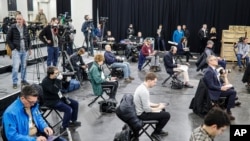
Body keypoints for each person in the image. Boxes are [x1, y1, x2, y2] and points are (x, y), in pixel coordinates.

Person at [41, 66, 81, 134]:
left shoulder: (55, 78)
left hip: (59, 98)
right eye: (56, 73)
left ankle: (73, 121)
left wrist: (67, 81)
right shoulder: (45, 82)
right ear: (51, 74)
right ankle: (63, 128)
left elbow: (64, 87)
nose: (57, 74)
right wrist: (59, 80)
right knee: (68, 109)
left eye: (58, 73)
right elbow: (55, 90)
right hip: (51, 101)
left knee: (75, 103)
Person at [133, 72, 171, 141]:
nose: (155, 84)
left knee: (163, 110)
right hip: (142, 115)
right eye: (154, 82)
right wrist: (159, 107)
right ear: (149, 81)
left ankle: (158, 130)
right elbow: (147, 109)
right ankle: (156, 133)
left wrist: (157, 104)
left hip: (141, 111)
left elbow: (147, 102)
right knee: (167, 115)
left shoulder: (142, 87)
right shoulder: (144, 91)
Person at [203, 55, 237, 120]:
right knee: (233, 92)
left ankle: (227, 105)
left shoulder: (214, 70)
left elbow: (217, 81)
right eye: (215, 59)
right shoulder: (209, 71)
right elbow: (210, 85)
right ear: (210, 61)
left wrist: (222, 84)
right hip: (213, 92)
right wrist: (220, 88)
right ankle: (228, 112)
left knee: (231, 88)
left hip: (217, 88)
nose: (217, 60)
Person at [6, 14, 31, 89]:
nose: (18, 21)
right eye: (17, 19)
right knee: (16, 67)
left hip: (25, 50)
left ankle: (23, 80)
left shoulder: (25, 27)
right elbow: (8, 39)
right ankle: (15, 82)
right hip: (16, 51)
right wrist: (13, 48)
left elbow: (28, 39)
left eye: (20, 19)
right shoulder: (12, 27)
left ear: (22, 19)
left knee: (24, 66)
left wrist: (29, 48)